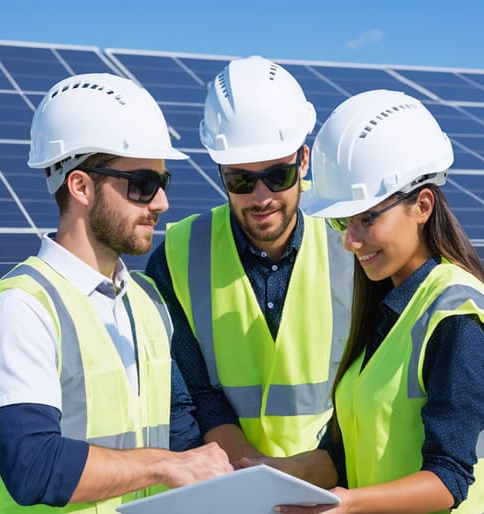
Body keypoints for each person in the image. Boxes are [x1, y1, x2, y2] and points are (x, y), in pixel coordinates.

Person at [245, 89, 484, 513]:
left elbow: (448, 479)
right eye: (345, 222)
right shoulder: (391, 311)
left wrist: (349, 504)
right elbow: (348, 457)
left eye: (367, 219)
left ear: (422, 205)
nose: (350, 240)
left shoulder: (459, 316)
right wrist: (269, 475)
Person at [0, 73, 231, 513]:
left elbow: (181, 437)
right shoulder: (21, 308)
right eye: (143, 184)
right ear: (81, 186)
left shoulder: (146, 300)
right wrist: (163, 466)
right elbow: (33, 467)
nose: (161, 203)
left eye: (164, 183)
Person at [144, 56, 354, 461]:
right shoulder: (177, 256)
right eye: (240, 179)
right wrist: (251, 472)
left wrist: (320, 470)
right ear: (220, 171)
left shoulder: (354, 240)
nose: (261, 198)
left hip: (342, 481)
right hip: (235, 481)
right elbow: (191, 391)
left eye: (278, 176)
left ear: (304, 160)